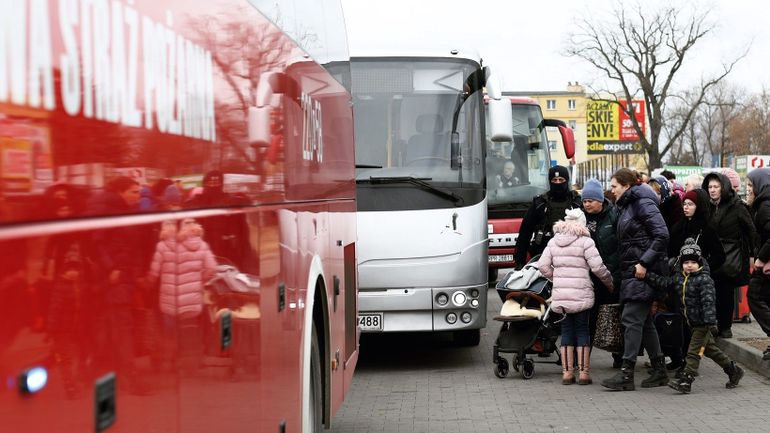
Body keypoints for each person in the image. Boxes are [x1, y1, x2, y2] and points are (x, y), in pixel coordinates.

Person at [644, 239, 744, 394]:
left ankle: (686, 379)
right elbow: (664, 283)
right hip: (692, 322)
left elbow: (709, 302)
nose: (689, 265)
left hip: (703, 324)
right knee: (710, 349)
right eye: (686, 262)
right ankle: (733, 370)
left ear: (700, 263)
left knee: (693, 352)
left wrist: (711, 322)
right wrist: (647, 276)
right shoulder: (680, 278)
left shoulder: (704, 280)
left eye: (693, 262)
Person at [601, 168, 670, 391]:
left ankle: (626, 374)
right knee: (644, 321)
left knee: (631, 318)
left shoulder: (642, 203)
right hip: (634, 270)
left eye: (614, 187)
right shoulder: (627, 204)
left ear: (627, 186)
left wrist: (644, 263)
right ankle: (659, 370)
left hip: (644, 271)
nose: (611, 191)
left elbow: (662, 235)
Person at [537, 208, 614, 386]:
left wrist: (556, 278)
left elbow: (542, 265)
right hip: (581, 293)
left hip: (562, 295)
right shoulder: (586, 242)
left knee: (566, 332)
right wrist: (609, 282)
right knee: (582, 331)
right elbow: (597, 267)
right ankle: (584, 373)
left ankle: (567, 373)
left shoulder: (554, 241)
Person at [665, 188, 725, 371]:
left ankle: (691, 365)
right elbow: (670, 251)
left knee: (696, 330)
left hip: (698, 286)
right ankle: (679, 358)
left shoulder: (706, 229)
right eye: (684, 204)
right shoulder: (678, 227)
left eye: (690, 204)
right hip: (679, 283)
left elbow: (719, 255)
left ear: (699, 206)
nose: (686, 207)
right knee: (679, 323)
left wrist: (703, 268)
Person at [701, 172, 757, 338]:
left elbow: (751, 231)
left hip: (731, 254)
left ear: (723, 187)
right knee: (712, 291)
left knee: (725, 291)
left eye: (716, 187)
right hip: (712, 254)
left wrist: (753, 255)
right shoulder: (707, 206)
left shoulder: (737, 206)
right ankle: (714, 325)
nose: (712, 190)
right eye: (710, 187)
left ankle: (725, 327)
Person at [581, 178, 623, 368]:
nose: (586, 204)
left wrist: (615, 273)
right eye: (584, 201)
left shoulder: (614, 215)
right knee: (590, 318)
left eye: (590, 200)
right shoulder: (580, 219)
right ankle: (583, 359)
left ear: (600, 200)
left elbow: (620, 246)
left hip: (611, 276)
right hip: (590, 278)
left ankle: (619, 356)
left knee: (615, 316)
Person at [514, 165, 582, 267]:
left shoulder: (576, 202)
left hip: (571, 254)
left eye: (561, 179)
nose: (558, 183)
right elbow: (525, 232)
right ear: (550, 181)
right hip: (543, 254)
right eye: (554, 180)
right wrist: (520, 261)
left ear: (567, 180)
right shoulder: (540, 203)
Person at [747, 168, 770, 360]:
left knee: (754, 296)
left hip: (765, 263)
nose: (748, 189)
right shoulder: (761, 203)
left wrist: (763, 258)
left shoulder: (765, 206)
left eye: (750, 185)